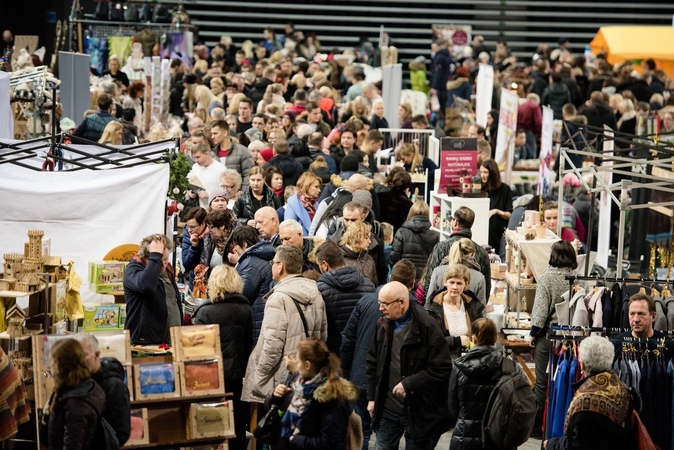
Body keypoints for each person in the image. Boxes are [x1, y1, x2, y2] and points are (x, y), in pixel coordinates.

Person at [366, 281, 453, 450]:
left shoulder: (428, 327)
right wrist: (371, 398)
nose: (380, 308)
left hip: (418, 412)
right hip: (387, 409)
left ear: (402, 302)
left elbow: (441, 368)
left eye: (385, 304)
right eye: (379, 303)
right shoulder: (382, 325)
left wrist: (409, 384)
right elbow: (372, 362)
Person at [340, 261, 417, 450]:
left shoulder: (366, 301)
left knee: (361, 431)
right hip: (391, 384)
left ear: (390, 277)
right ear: (412, 284)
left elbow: (348, 340)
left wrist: (344, 372)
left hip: (360, 376)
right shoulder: (414, 310)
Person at [241, 245, 328, 403]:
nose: (272, 266)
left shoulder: (278, 298)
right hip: (306, 371)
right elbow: (322, 336)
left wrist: (258, 374)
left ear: (280, 266)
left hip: (282, 377)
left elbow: (272, 345)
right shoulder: (316, 293)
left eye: (273, 263)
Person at [193, 265, 253, 450]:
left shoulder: (205, 311)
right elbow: (249, 342)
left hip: (211, 377)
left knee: (210, 421)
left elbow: (198, 350)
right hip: (237, 374)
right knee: (236, 422)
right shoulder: (246, 309)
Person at [266, 338, 358, 450]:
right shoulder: (301, 385)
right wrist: (275, 396)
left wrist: (295, 440)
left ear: (307, 365)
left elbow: (330, 443)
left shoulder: (330, 396)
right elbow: (275, 407)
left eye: (298, 361)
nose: (296, 365)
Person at [545, 336, 633, 450]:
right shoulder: (621, 388)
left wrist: (551, 444)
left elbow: (578, 444)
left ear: (583, 365)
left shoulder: (586, 401)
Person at [528, 240, 578, 438]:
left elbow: (541, 310)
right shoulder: (577, 277)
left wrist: (532, 333)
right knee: (564, 380)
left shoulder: (547, 278)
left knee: (542, 382)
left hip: (549, 336)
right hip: (573, 337)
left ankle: (536, 426)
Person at [448, 318, 505, 450]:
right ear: (495, 338)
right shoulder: (509, 367)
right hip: (498, 436)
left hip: (465, 435)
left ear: (473, 339)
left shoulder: (459, 367)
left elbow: (452, 406)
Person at [315, 241, 376, 353]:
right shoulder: (369, 284)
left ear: (325, 265)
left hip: (334, 353)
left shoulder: (319, 289)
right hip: (363, 349)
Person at [46, 339, 106, 450]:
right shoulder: (82, 387)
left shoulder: (76, 402)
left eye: (52, 361)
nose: (50, 366)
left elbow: (72, 444)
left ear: (61, 365)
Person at [124, 234, 182, 345]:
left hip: (170, 341)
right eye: (162, 259)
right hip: (146, 343)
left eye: (166, 258)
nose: (165, 263)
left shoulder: (167, 271)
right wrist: (156, 255)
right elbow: (146, 286)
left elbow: (174, 301)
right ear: (149, 258)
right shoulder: (133, 269)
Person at [423, 206, 491, 299]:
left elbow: (429, 281)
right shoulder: (481, 252)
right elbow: (485, 290)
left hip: (441, 308)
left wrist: (430, 307)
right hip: (470, 310)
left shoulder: (440, 247)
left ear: (455, 222)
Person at [74, 333, 131, 446]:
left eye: (84, 355)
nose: (79, 361)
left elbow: (121, 432)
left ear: (97, 354)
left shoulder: (115, 387)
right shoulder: (77, 382)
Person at [228, 225, 275, 344]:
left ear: (244, 244)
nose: (234, 249)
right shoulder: (254, 259)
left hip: (255, 319)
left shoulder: (251, 263)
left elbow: (242, 293)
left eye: (236, 245)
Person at [426, 264, 485, 358]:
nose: (454, 287)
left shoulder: (473, 306)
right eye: (451, 282)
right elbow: (430, 340)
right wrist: (455, 341)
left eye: (459, 283)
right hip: (443, 361)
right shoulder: (433, 308)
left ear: (466, 284)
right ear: (445, 282)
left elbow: (481, 335)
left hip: (468, 361)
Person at [427, 238, 487, 305]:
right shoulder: (479, 277)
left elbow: (429, 300)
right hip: (467, 315)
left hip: (439, 314)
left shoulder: (438, 271)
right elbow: (481, 309)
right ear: (471, 254)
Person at [390, 201, 438, 283]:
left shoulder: (401, 232)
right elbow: (435, 260)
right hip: (423, 279)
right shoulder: (434, 235)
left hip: (404, 276)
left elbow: (394, 257)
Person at [210, 119, 254, 191]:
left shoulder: (243, 151)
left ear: (224, 133)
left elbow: (248, 175)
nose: (212, 137)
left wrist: (242, 194)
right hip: (218, 198)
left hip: (237, 197)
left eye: (215, 133)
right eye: (212, 134)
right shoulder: (212, 154)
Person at [481, 159, 513, 251]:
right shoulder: (480, 189)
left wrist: (497, 211)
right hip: (483, 233)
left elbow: (509, 214)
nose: (482, 175)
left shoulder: (505, 190)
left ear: (493, 173)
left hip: (498, 235)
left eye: (485, 172)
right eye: (481, 172)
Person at [186, 142, 226, 209]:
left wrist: (210, 195)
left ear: (207, 153)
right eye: (194, 158)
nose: (196, 160)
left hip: (215, 210)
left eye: (198, 157)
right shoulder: (195, 167)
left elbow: (225, 192)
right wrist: (190, 192)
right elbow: (189, 182)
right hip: (198, 208)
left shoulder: (220, 169)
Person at [181, 207, 208, 290]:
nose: (189, 230)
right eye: (188, 226)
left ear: (203, 224)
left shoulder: (213, 233)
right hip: (195, 282)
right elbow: (187, 264)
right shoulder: (188, 233)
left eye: (193, 227)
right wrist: (194, 247)